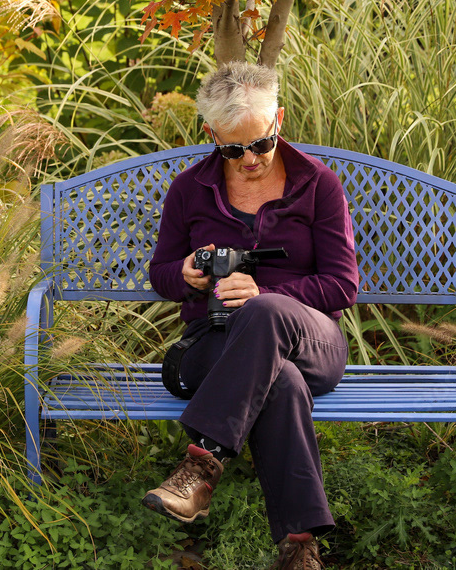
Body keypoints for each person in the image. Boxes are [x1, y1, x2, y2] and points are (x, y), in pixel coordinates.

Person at [141, 61, 359, 569]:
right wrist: (187, 275)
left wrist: (267, 292)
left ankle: (201, 465)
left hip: (312, 339)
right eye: (233, 149)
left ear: (278, 120)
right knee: (280, 381)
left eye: (260, 143)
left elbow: (342, 285)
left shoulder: (318, 185)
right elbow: (161, 275)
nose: (250, 159)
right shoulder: (189, 190)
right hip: (216, 341)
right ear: (211, 135)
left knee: (265, 312)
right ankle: (300, 546)